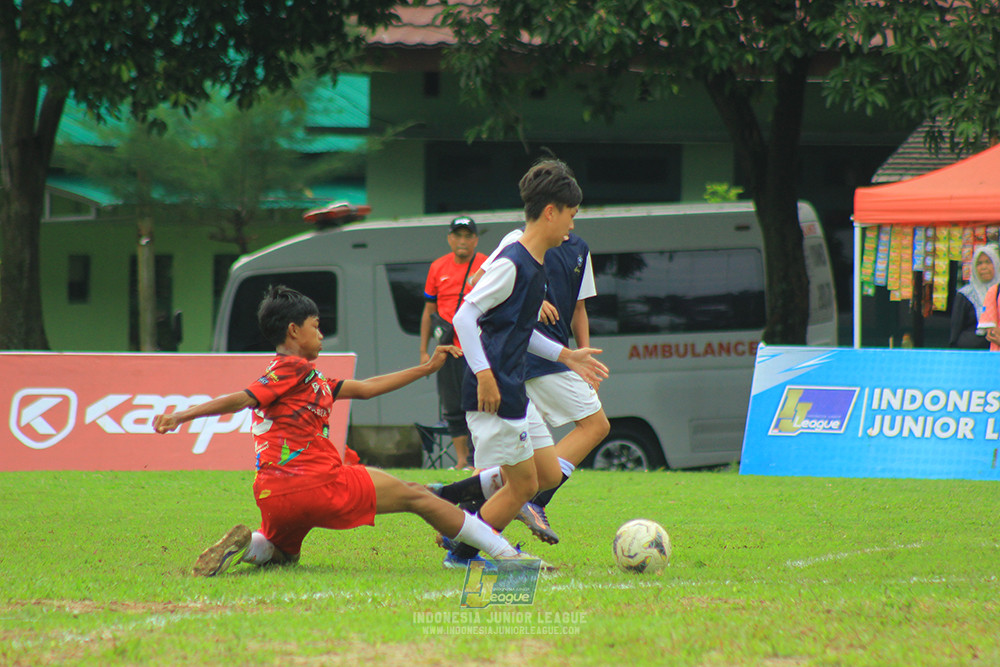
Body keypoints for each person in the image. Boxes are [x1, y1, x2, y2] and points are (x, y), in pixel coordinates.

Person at [153, 284, 536, 575]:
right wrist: (182, 415)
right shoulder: (292, 369)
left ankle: (246, 547)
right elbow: (242, 398)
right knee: (418, 498)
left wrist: (425, 369)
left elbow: (365, 389)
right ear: (292, 331)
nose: (321, 334)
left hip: (272, 493)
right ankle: (507, 555)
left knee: (285, 554)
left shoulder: (307, 379)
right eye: (316, 327)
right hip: (317, 483)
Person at [440, 158, 608, 568]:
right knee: (523, 486)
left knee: (547, 476)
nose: (572, 227)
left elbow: (520, 330)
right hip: (495, 392)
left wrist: (567, 355)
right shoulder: (513, 262)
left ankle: (451, 505)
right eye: (570, 216)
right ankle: (463, 551)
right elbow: (464, 316)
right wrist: (483, 375)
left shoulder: (534, 266)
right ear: (550, 212)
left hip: (513, 388)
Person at [419, 216, 487, 469]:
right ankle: (461, 462)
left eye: (468, 236)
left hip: (478, 347)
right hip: (448, 348)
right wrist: (423, 350)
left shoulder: (486, 264)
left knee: (480, 403)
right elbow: (429, 311)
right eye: (457, 235)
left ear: (475, 240)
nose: (462, 241)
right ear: (449, 239)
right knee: (452, 405)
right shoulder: (438, 267)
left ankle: (478, 459)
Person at [952, 245, 1000, 349]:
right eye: (979, 263)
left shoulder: (998, 291)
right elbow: (955, 333)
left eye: (988, 262)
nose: (983, 267)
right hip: (971, 354)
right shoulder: (965, 295)